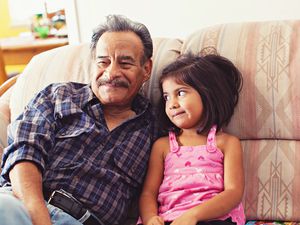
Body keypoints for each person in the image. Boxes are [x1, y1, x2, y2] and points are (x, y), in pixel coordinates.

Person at [0, 15, 158, 225]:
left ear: (146, 69)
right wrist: (39, 218)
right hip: (22, 206)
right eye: (103, 62)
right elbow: (24, 154)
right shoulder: (58, 96)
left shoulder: (156, 126)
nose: (111, 73)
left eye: (125, 63)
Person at [138, 52, 245, 225]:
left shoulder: (226, 143)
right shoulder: (163, 146)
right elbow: (148, 193)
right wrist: (150, 218)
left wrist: (193, 215)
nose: (172, 104)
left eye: (180, 93)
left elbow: (233, 192)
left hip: (214, 219)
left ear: (207, 94)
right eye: (166, 97)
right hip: (170, 220)